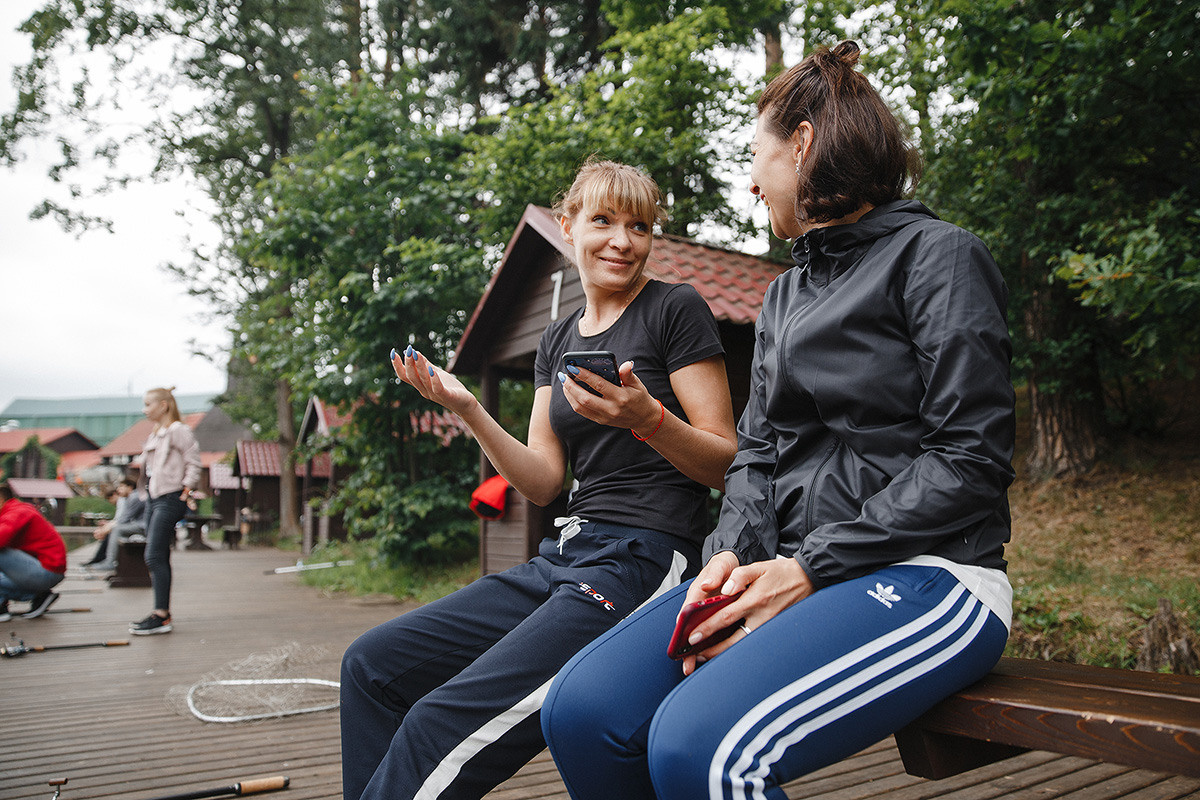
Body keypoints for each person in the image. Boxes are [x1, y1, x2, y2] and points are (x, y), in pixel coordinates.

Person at [540, 41, 1017, 800]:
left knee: (701, 749)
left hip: (934, 574)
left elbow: (968, 461)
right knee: (583, 709)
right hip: (790, 569)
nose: (751, 182)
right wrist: (726, 559)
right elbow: (756, 458)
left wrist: (809, 567)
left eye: (755, 155)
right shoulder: (785, 296)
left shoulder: (939, 258)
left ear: (801, 145)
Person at [340, 160, 739, 800]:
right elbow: (544, 480)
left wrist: (649, 419)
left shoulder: (674, 309)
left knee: (437, 723)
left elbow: (727, 458)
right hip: (565, 555)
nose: (622, 240)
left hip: (645, 558)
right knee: (371, 665)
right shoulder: (556, 339)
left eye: (639, 226)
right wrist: (468, 408)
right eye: (603, 220)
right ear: (568, 225)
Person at [130, 387, 201, 635]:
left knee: (153, 555)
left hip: (170, 498)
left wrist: (186, 489)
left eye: (148, 404)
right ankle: (161, 613)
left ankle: (161, 615)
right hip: (153, 498)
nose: (144, 409)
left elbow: (193, 461)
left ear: (164, 405)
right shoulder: (156, 433)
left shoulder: (179, 431)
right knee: (158, 554)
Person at [0, 482, 67, 621]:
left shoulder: (17, 511)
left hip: (47, 571)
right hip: (44, 570)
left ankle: (36, 596)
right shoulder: (15, 510)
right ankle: (38, 597)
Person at [84, 477, 147, 571]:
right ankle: (116, 561)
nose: (118, 490)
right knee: (116, 530)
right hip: (141, 525)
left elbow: (124, 520)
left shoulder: (134, 496)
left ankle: (110, 562)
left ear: (129, 487)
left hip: (143, 526)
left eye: (121, 486)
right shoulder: (132, 497)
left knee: (116, 530)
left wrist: (105, 530)